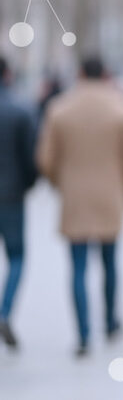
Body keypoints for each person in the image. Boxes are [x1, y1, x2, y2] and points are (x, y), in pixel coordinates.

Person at [36, 56, 123, 356]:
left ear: (80, 73)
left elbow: (45, 159)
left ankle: (83, 333)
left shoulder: (59, 109)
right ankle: (110, 321)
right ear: (107, 74)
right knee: (111, 263)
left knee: (77, 267)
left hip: (74, 197)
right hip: (110, 194)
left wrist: (61, 182)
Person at [0, 56, 37, 350]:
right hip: (11, 196)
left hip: (13, 192)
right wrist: (27, 185)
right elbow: (31, 159)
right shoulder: (20, 111)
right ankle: (5, 310)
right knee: (16, 257)